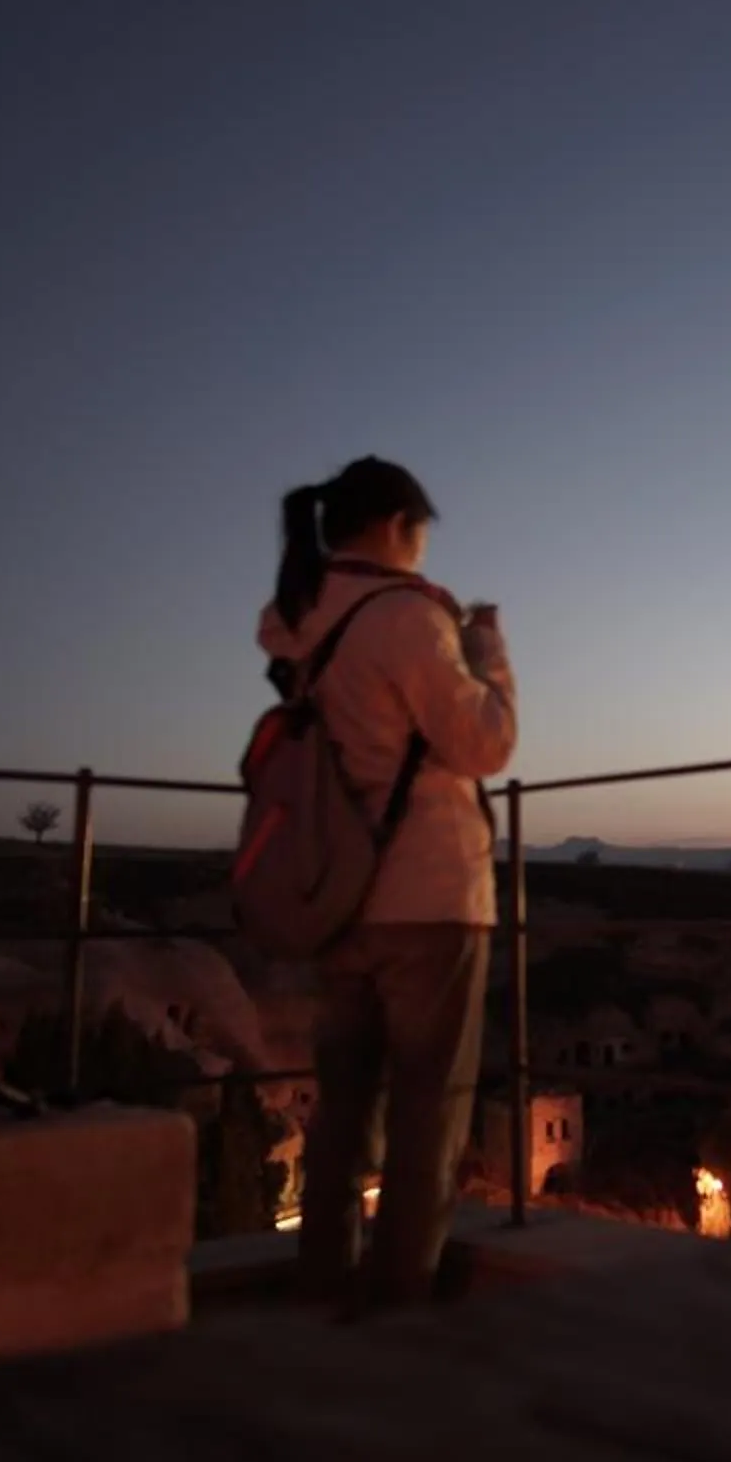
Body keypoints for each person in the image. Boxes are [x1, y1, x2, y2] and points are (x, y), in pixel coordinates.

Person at [257, 456, 516, 1310]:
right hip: (430, 892)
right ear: (400, 524)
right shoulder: (407, 616)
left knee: (342, 1106)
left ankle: (323, 1284)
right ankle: (400, 1300)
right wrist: (488, 655)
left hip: (339, 895)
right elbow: (483, 746)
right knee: (426, 1110)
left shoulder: (298, 619)